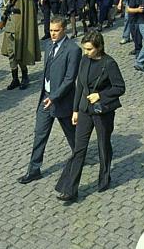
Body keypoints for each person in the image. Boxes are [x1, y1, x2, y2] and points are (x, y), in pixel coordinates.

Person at [55, 31, 125, 203]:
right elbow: (80, 85)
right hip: (85, 110)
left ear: (99, 47)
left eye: (89, 49)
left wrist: (100, 95)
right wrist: (75, 110)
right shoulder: (85, 60)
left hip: (102, 112)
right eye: (84, 49)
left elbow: (120, 87)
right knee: (79, 148)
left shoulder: (109, 64)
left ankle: (104, 178)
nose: (86, 52)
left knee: (103, 145)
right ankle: (70, 189)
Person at [18, 16, 81, 185]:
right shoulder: (48, 45)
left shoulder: (73, 50)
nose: (52, 34)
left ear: (64, 29)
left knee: (71, 134)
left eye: (56, 31)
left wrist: (54, 97)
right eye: (51, 30)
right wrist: (48, 96)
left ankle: (80, 156)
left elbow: (69, 79)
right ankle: (33, 170)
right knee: (40, 134)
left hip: (62, 100)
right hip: (46, 98)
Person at [0, 0, 41, 90]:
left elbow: (29, 11)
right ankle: (15, 78)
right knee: (11, 53)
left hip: (20, 25)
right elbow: (3, 6)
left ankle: (25, 76)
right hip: (9, 26)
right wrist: (3, 15)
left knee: (21, 52)